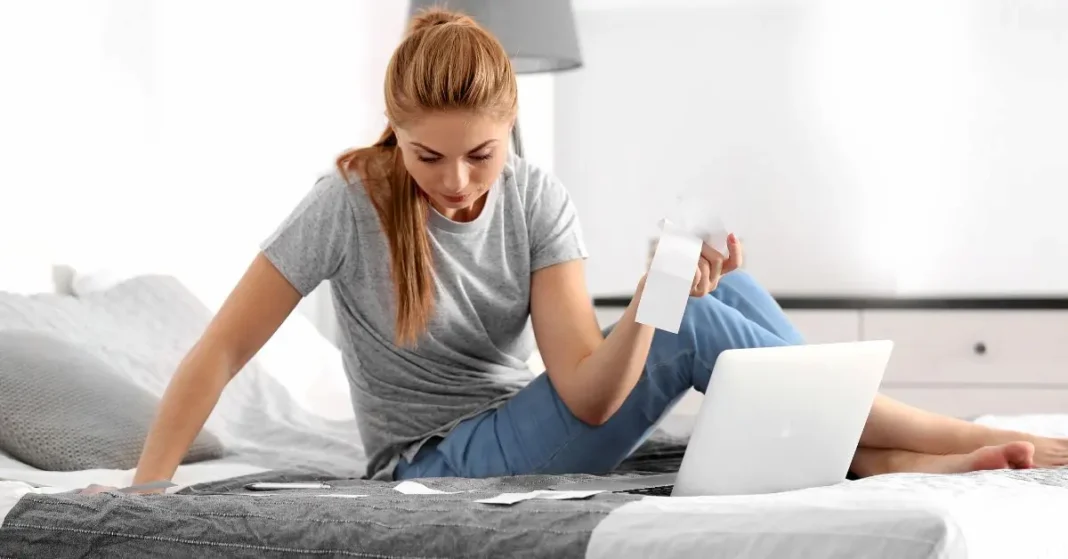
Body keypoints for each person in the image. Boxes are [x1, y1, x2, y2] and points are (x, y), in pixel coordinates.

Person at [127, 7, 1068, 489]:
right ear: (393, 133)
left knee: (733, 302)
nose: (456, 182)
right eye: (428, 156)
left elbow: (582, 381)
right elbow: (219, 349)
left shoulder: (537, 198)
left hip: (528, 417)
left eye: (478, 155)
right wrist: (147, 491)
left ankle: (884, 461)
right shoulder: (345, 202)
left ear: (511, 129)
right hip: (433, 460)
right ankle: (970, 435)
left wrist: (666, 296)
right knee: (695, 323)